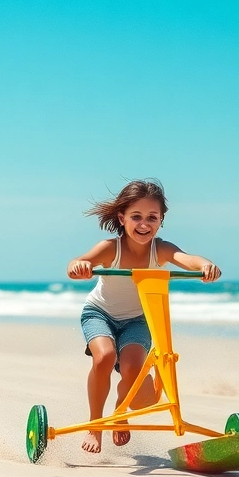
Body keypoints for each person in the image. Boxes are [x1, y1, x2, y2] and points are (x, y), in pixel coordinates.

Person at [66, 180, 221, 454]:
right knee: (104, 358)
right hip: (100, 313)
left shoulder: (159, 249)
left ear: (161, 220)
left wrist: (206, 266)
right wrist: (80, 266)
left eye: (152, 217)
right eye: (136, 216)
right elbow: (80, 262)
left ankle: (120, 412)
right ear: (122, 218)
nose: (144, 224)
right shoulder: (109, 248)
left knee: (133, 370)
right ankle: (95, 425)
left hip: (137, 320)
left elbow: (187, 259)